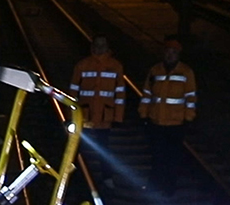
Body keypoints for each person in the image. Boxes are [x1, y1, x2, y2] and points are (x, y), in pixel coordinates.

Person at [138, 36, 197, 194]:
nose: (170, 55)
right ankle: (155, 186)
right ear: (163, 53)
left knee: (171, 157)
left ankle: (168, 187)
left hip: (176, 123)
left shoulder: (186, 72)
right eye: (168, 51)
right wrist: (144, 115)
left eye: (173, 52)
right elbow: (147, 94)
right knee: (157, 156)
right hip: (156, 121)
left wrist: (188, 118)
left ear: (178, 54)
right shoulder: (155, 71)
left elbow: (190, 97)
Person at [67, 35, 126, 187]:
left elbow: (120, 94)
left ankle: (106, 178)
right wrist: (71, 115)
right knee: (79, 148)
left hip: (104, 116)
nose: (99, 48)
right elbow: (72, 92)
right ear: (92, 46)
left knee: (103, 148)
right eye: (97, 45)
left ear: (107, 47)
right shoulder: (82, 65)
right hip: (85, 116)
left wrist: (118, 117)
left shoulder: (115, 66)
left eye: (102, 45)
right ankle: (77, 177)